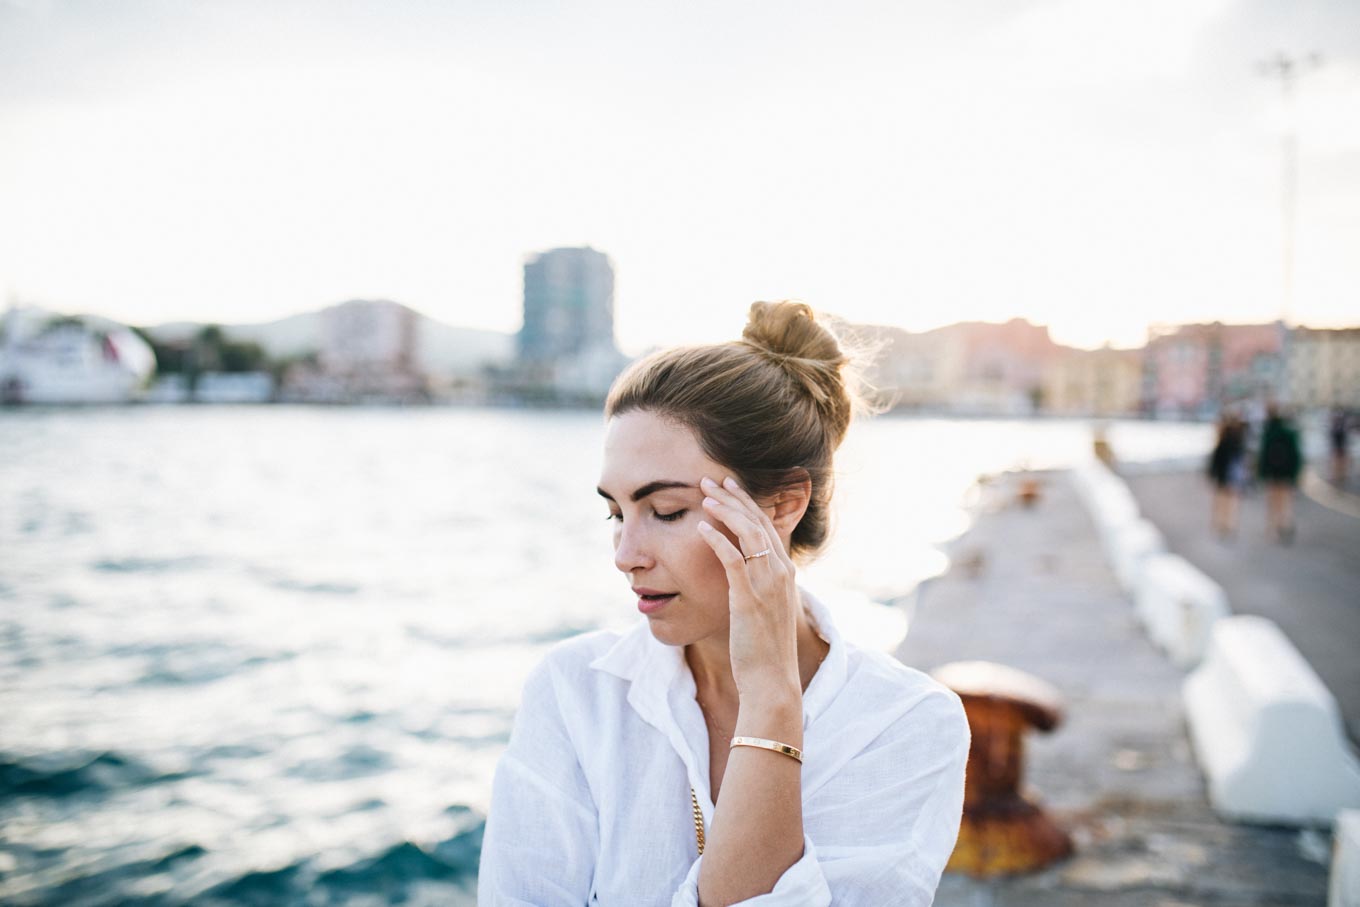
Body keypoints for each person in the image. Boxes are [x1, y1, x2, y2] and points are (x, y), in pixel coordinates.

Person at [478, 301, 970, 905]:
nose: (625, 554)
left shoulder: (905, 724)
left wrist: (770, 696)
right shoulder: (576, 691)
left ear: (783, 505)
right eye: (616, 511)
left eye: (667, 512)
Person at [1257, 404, 1303, 544]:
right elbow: (1296, 455)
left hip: (1272, 475)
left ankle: (1273, 528)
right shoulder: (1289, 433)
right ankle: (1284, 524)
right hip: (1286, 475)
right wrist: (1295, 474)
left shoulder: (1268, 433)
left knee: (1272, 503)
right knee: (1285, 502)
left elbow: (1263, 457)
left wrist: (1262, 474)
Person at [1206, 413, 1246, 538]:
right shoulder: (1237, 441)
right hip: (1231, 478)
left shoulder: (1224, 442)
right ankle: (1227, 524)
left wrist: (1212, 474)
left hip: (1224, 478)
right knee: (1230, 502)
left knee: (1223, 502)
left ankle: (1223, 524)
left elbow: (1216, 462)